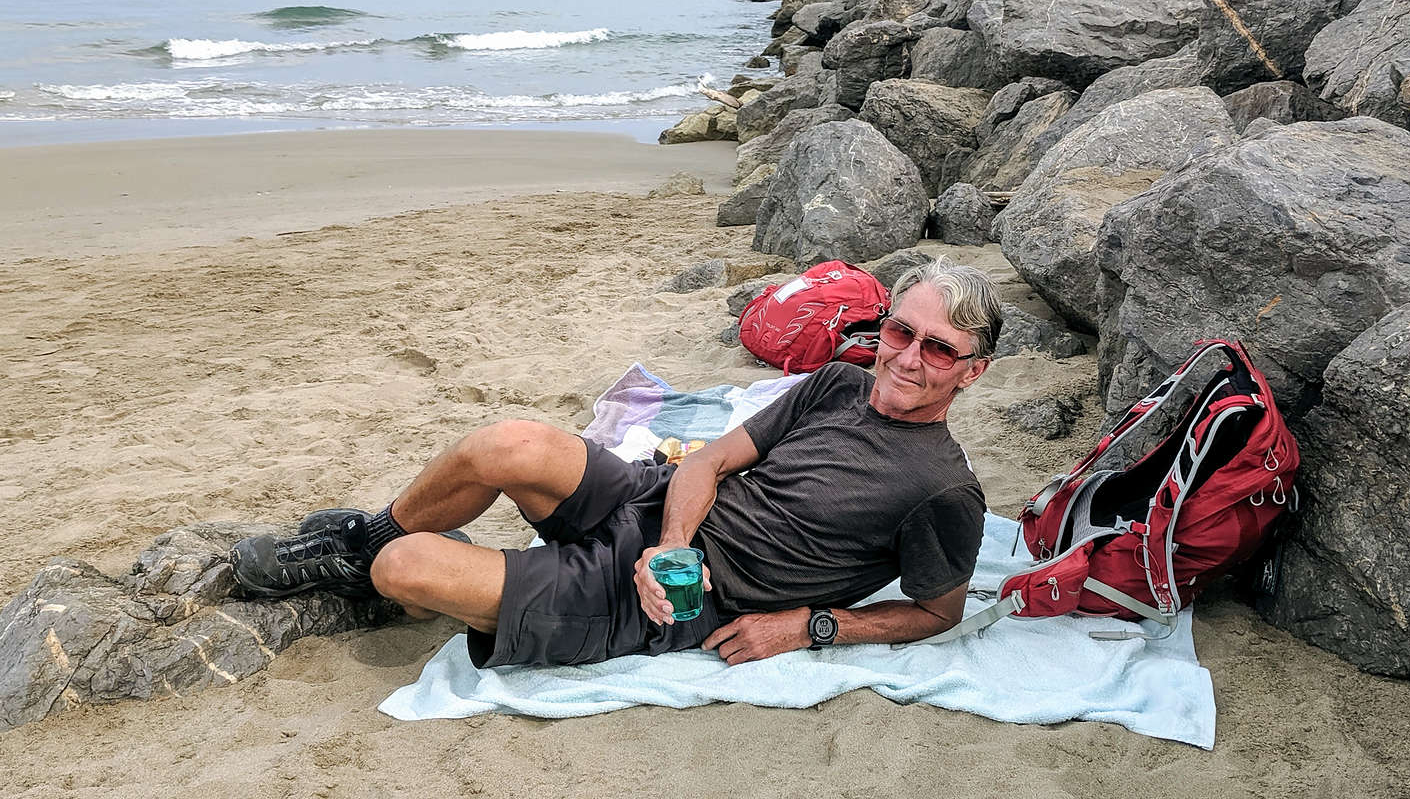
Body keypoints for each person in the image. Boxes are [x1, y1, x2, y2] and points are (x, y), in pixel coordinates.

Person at [230, 258, 1001, 667]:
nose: (908, 359)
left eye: (939, 350)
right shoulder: (837, 381)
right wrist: (669, 546)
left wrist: (809, 627)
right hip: (661, 512)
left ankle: (392, 567)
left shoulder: (942, 491)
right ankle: (357, 543)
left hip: (686, 600)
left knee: (408, 570)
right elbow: (706, 462)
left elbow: (940, 613)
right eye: (901, 333)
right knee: (505, 443)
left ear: (973, 371)